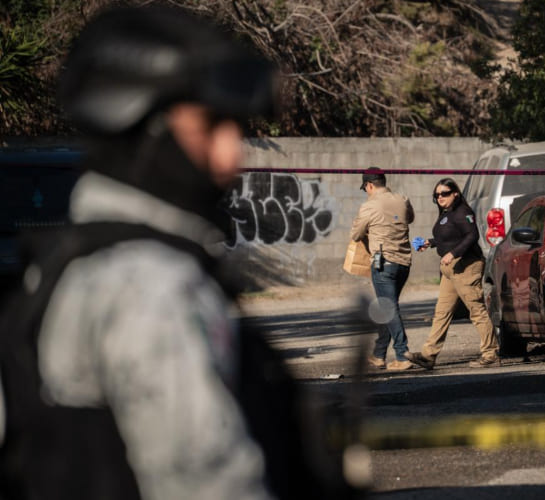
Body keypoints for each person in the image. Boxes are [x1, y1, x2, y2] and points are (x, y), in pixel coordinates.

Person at [0, 6, 335, 500]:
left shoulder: (61, 267)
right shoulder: (153, 287)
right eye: (210, 126)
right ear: (143, 124)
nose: (232, 156)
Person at [406, 178, 500, 369]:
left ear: (455, 193)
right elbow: (449, 237)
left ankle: (490, 354)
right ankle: (428, 355)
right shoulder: (446, 213)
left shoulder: (463, 212)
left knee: (477, 311)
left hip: (466, 265)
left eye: (445, 193)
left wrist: (453, 253)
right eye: (437, 195)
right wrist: (430, 243)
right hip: (450, 270)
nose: (440, 197)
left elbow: (472, 235)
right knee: (442, 312)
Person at [350, 167, 416, 371]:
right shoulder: (403, 199)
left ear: (369, 185)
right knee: (387, 307)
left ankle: (402, 355)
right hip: (404, 262)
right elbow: (410, 218)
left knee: (388, 308)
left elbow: (356, 235)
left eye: (365, 189)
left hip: (383, 262)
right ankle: (379, 354)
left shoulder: (368, 206)